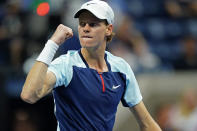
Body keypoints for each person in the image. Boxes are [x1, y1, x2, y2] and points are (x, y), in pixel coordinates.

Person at [21, 0, 161, 130]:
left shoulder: (121, 68)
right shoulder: (65, 64)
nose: (85, 28)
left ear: (108, 29)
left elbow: (147, 124)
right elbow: (29, 95)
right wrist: (52, 44)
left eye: (93, 24)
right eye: (82, 24)